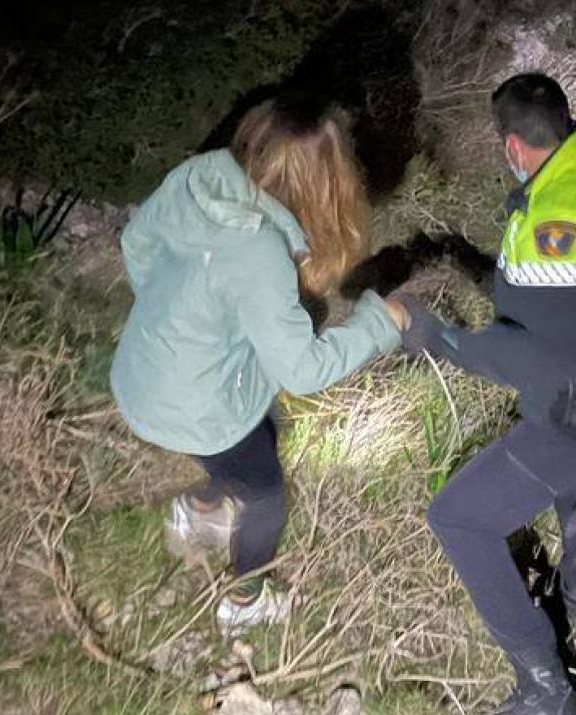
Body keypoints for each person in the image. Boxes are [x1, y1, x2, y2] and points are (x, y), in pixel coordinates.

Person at [397, 73, 576, 715]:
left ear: (514, 145)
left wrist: (438, 337)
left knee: (457, 516)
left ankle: (548, 695)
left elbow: (527, 355)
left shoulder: (541, 228)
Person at [110, 90, 410, 636]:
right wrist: (379, 323)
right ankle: (245, 599)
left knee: (265, 425)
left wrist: (174, 317)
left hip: (140, 368)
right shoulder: (259, 252)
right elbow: (304, 370)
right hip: (189, 402)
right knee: (267, 494)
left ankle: (200, 513)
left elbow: (136, 240)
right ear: (323, 182)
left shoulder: (201, 177)